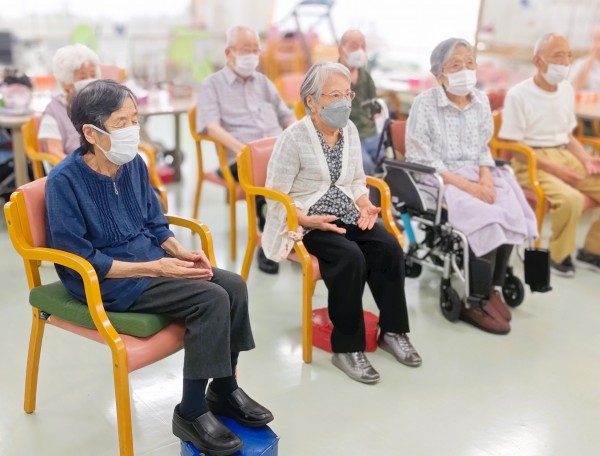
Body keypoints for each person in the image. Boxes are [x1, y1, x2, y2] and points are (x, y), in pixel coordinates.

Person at [45, 80, 272, 456]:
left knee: (233, 284)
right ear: (91, 133)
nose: (133, 129)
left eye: (135, 119)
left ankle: (224, 389)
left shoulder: (133, 164)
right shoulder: (64, 181)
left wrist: (180, 252)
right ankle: (191, 412)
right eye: (121, 122)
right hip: (108, 281)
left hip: (150, 261)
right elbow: (80, 259)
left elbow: (154, 221)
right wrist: (157, 268)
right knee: (210, 298)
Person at [262, 62, 421, 384]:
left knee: (388, 247)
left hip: (346, 211)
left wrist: (364, 203)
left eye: (347, 94)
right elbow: (275, 195)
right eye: (335, 95)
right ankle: (347, 348)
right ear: (311, 100)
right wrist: (305, 218)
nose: (344, 102)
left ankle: (393, 331)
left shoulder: (348, 130)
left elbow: (356, 179)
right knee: (350, 258)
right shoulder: (293, 138)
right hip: (307, 221)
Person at [405, 38, 538, 334]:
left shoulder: (481, 101)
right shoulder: (424, 104)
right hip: (440, 177)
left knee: (510, 206)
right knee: (486, 215)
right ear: (439, 74)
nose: (465, 70)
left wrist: (486, 179)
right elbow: (422, 156)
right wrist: (470, 187)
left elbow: (482, 149)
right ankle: (474, 301)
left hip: (477, 172)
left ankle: (493, 288)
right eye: (455, 65)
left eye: (469, 63)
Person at [196, 25, 296, 274]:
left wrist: (299, 136)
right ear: (229, 52)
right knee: (267, 174)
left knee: (307, 169)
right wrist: (244, 151)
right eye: (245, 49)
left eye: (255, 50)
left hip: (278, 152)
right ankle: (266, 243)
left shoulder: (263, 82)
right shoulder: (212, 85)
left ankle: (299, 235)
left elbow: (287, 116)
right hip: (239, 158)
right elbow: (211, 126)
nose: (251, 55)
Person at [500, 33, 600, 276]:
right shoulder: (518, 95)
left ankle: (591, 251)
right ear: (537, 61)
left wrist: (586, 159)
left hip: (564, 154)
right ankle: (558, 257)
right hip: (530, 160)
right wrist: (556, 169)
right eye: (557, 56)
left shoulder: (566, 89)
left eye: (568, 56)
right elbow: (514, 146)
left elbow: (567, 135)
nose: (565, 62)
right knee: (571, 199)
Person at [38, 43, 100, 159]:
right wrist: (80, 167)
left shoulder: (101, 105)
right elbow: (55, 153)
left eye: (93, 75)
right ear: (66, 82)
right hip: (73, 168)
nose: (90, 81)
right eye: (82, 77)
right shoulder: (54, 112)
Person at [338, 29, 381, 176]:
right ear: (341, 50)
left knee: (389, 160)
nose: (360, 50)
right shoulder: (332, 76)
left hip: (370, 133)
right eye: (354, 45)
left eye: (363, 46)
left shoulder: (366, 77)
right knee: (365, 166)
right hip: (347, 135)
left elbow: (375, 108)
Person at [569, 25, 600, 92]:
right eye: (596, 40)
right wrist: (590, 61)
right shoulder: (581, 63)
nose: (598, 45)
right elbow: (573, 86)